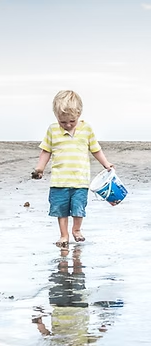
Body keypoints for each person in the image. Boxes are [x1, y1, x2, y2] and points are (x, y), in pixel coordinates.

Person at [32, 90, 113, 250]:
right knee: (61, 210)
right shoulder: (53, 130)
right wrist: (40, 168)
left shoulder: (86, 129)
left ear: (79, 114)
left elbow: (95, 149)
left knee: (78, 208)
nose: (68, 125)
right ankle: (64, 235)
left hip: (80, 181)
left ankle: (76, 229)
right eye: (63, 122)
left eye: (72, 121)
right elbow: (46, 151)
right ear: (56, 117)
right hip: (59, 181)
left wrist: (106, 164)